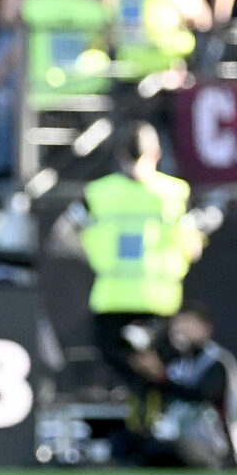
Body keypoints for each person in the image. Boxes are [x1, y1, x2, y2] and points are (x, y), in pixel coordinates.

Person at [78, 121, 204, 390]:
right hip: (148, 306)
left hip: (138, 306)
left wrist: (94, 251)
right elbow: (194, 247)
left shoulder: (101, 192)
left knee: (146, 377)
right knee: (148, 378)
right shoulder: (175, 193)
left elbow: (66, 234)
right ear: (156, 154)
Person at [123, 304, 236, 468]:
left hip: (214, 444)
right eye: (177, 323)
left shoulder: (217, 361)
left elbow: (201, 395)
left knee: (167, 450)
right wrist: (146, 372)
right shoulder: (180, 362)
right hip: (179, 436)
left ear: (205, 328)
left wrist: (161, 377)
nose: (180, 329)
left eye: (187, 322)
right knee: (131, 441)